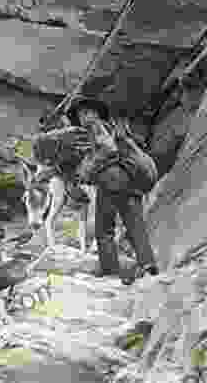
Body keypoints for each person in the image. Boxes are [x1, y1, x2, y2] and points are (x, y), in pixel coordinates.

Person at [63, 96, 159, 285]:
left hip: (113, 182)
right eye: (81, 114)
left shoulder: (96, 128)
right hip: (132, 181)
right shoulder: (114, 126)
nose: (83, 117)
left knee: (104, 228)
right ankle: (148, 265)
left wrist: (87, 168)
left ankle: (110, 271)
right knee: (134, 224)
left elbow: (109, 148)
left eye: (85, 112)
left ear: (95, 113)